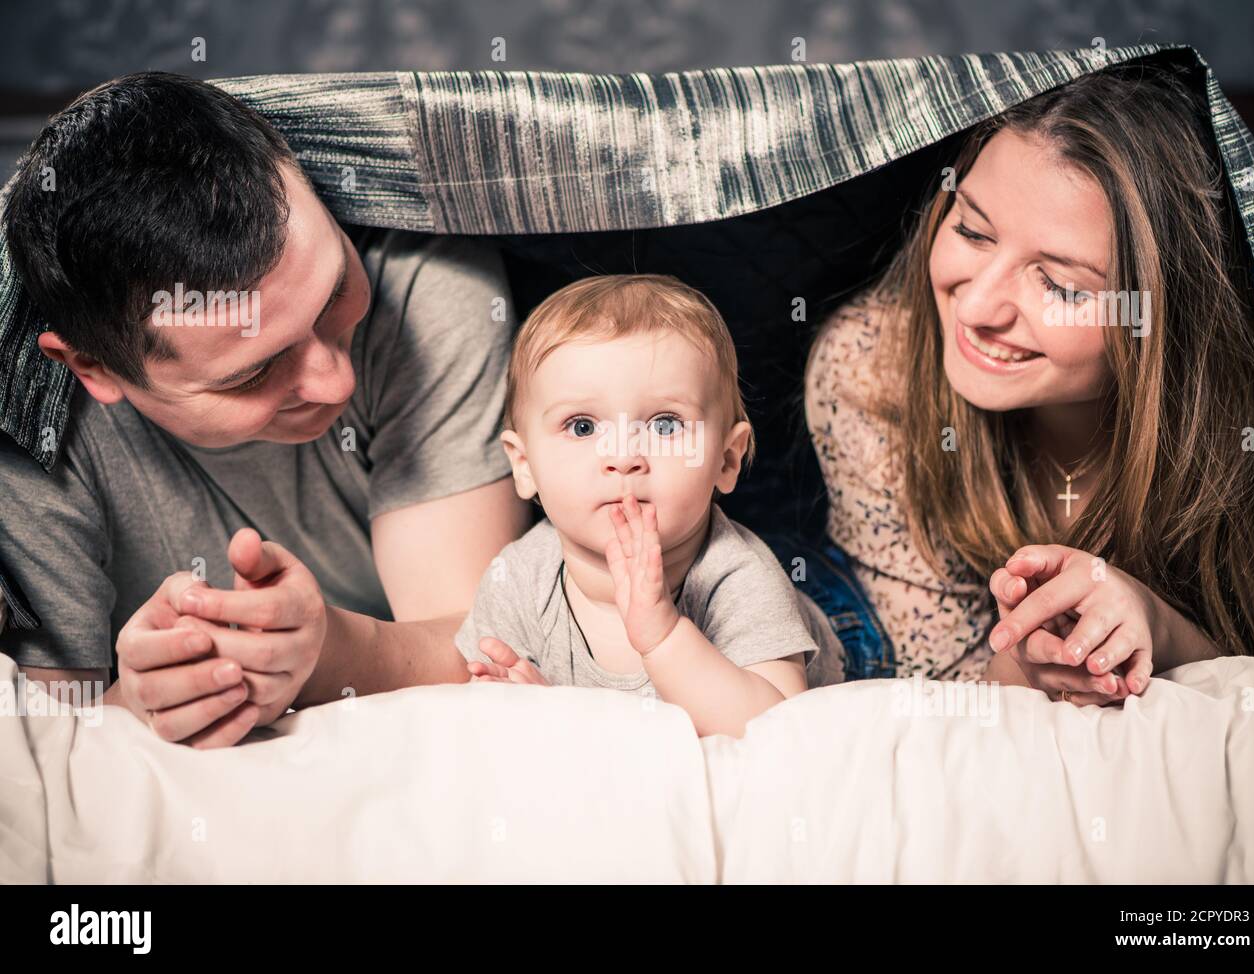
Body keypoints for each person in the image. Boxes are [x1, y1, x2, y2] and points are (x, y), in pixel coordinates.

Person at [0, 71, 530, 746]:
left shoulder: (426, 273)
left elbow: (479, 654)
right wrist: (140, 704)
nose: (335, 381)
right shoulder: (26, 432)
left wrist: (325, 652)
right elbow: (51, 750)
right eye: (255, 371)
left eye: (335, 291)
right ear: (93, 368)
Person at [805, 64, 1254, 705]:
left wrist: (1165, 633)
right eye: (972, 231)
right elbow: (933, 702)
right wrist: (1036, 662)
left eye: (1062, 287)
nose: (979, 307)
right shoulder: (871, 368)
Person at [455, 274, 842, 737]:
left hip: (841, 623)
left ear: (727, 459)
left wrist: (663, 636)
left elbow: (778, 732)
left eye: (663, 424)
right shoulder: (517, 579)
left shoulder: (736, 577)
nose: (623, 456)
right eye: (582, 427)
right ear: (524, 465)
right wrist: (536, 709)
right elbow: (477, 724)